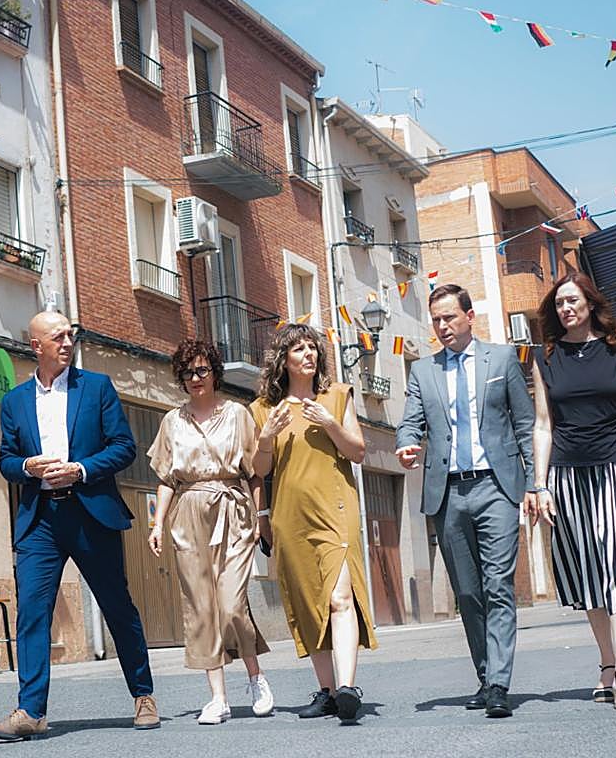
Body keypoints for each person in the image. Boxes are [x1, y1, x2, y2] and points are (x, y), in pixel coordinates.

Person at [0, 311, 159, 742]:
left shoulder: (96, 388)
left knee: (117, 606)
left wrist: (80, 469)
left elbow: (123, 448)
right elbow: (6, 460)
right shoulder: (15, 401)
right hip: (40, 519)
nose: (67, 341)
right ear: (35, 345)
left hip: (90, 511)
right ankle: (31, 711)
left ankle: (143, 696)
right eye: (57, 336)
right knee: (33, 613)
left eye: (70, 334)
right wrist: (27, 465)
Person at [527, 272, 616, 711]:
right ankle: (606, 663)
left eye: (572, 301)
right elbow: (543, 425)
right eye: (559, 304)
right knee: (590, 571)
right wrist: (540, 484)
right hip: (569, 477)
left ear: (590, 304)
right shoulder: (544, 356)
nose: (565, 309)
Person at [395, 284, 536, 719]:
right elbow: (409, 424)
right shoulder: (423, 371)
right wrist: (405, 446)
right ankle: (485, 674)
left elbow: (525, 423)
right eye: (436, 320)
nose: (442, 327)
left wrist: (533, 485)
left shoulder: (502, 360)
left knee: (497, 586)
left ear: (469, 316)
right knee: (468, 592)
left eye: (449, 318)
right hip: (448, 492)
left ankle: (498, 683)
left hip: (496, 486)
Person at [250, 324, 376, 724]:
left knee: (340, 597)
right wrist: (266, 437)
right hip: (290, 515)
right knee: (308, 602)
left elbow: (358, 452)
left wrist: (330, 423)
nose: (308, 354)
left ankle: (347, 688)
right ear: (283, 360)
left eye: (312, 348)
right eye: (299, 349)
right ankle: (326, 692)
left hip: (336, 508)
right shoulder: (263, 410)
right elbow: (258, 469)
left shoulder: (337, 397)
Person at [147, 340, 274, 725]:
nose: (196, 378)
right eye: (188, 373)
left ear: (214, 372)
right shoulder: (172, 421)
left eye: (202, 370)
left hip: (233, 510)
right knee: (201, 606)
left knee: (231, 603)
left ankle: (255, 677)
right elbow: (167, 478)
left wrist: (260, 516)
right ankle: (217, 697)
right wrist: (157, 524)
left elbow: (254, 473)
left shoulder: (238, 415)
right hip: (187, 513)